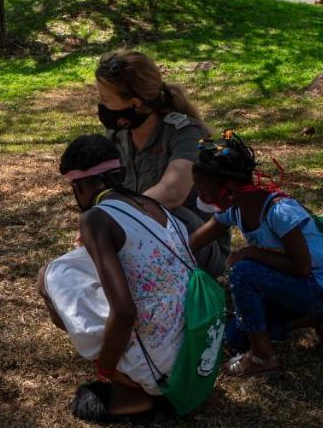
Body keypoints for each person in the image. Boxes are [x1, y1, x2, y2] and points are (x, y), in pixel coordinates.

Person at [39, 135, 200, 422]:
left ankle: (130, 386)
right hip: (194, 356)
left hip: (162, 370)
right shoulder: (156, 207)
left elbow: (125, 311)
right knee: (71, 264)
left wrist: (106, 369)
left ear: (80, 186)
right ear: (121, 173)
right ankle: (134, 371)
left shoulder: (96, 219)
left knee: (52, 275)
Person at [187, 132, 323, 378]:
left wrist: (251, 252)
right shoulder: (236, 209)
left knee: (243, 272)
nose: (201, 198)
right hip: (294, 287)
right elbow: (195, 241)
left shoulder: (279, 212)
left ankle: (263, 357)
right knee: (234, 338)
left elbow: (301, 267)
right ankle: (314, 321)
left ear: (228, 189)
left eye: (204, 191)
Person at [95, 49, 228, 277]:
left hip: (198, 245)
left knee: (166, 212)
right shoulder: (118, 135)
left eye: (106, 99)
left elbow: (172, 192)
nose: (100, 105)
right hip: (144, 240)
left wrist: (115, 216)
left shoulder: (185, 133)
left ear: (135, 103)